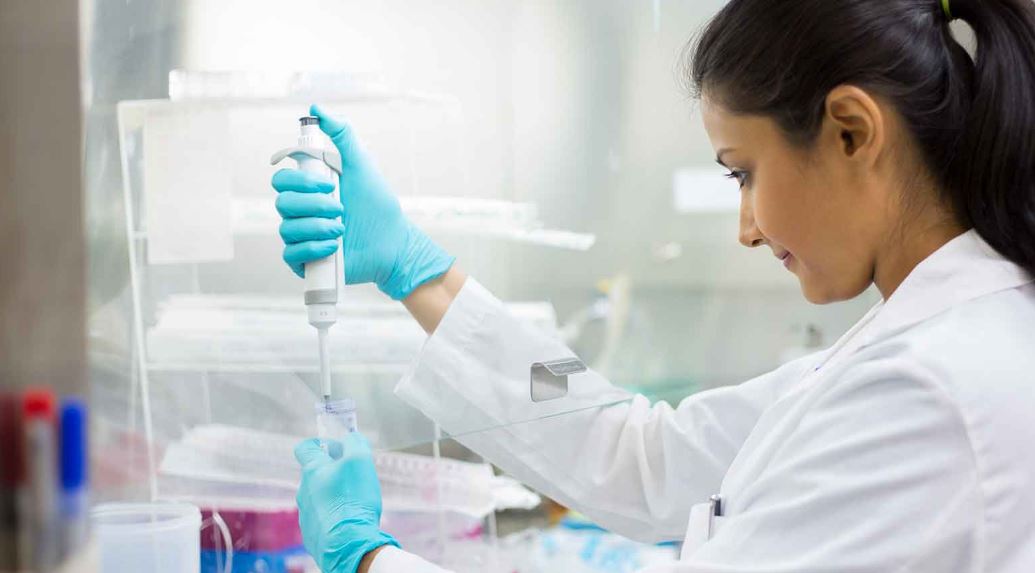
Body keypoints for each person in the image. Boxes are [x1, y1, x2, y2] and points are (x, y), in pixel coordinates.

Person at [272, 0, 1035, 571]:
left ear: (851, 131)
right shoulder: (927, 342)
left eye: (744, 172)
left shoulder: (927, 394)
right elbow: (640, 450)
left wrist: (367, 558)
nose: (746, 225)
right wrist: (419, 271)